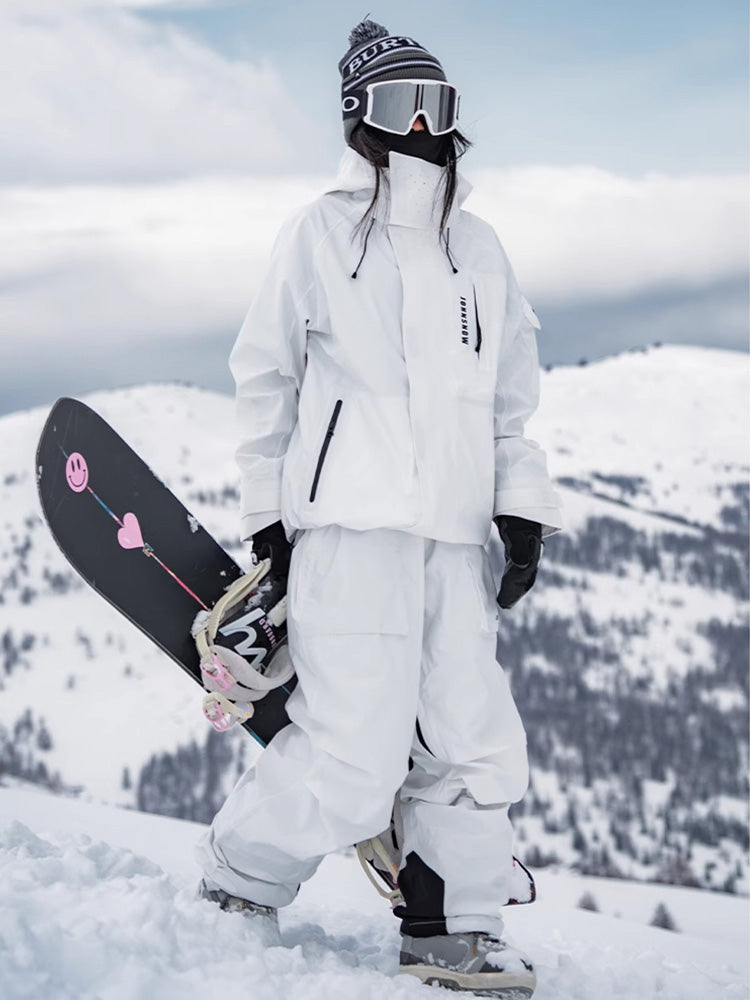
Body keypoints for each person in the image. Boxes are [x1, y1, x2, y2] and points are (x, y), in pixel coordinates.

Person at [196, 19, 563, 997]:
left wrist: (520, 510)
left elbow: (511, 398)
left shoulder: (479, 249)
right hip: (351, 533)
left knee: (473, 738)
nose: (423, 128)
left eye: (437, 105)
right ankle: (240, 874)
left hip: (454, 541)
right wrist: (268, 513)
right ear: (362, 118)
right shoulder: (319, 234)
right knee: (354, 755)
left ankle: (452, 928)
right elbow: (266, 378)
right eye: (404, 106)